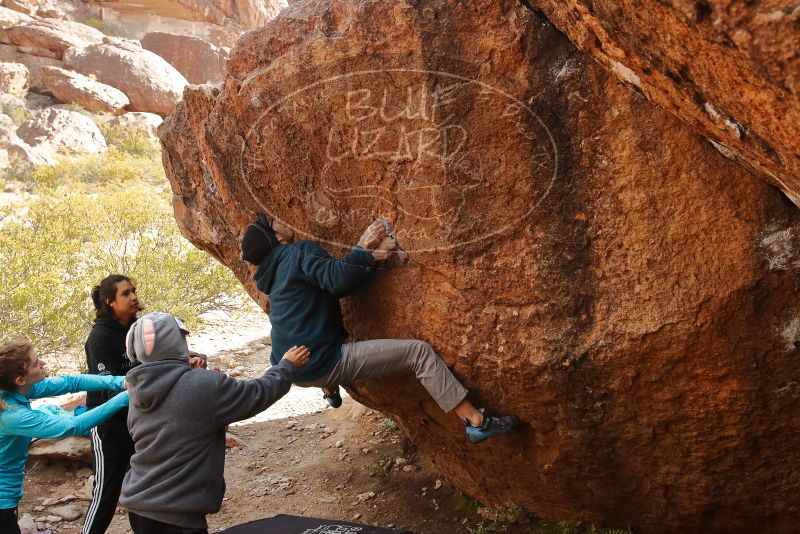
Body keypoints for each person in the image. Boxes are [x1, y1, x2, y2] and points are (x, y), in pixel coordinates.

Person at [240, 214, 520, 443]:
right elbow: (338, 281)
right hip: (321, 362)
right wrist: (364, 251)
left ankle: (329, 392)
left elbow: (317, 293)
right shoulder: (298, 252)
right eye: (272, 222)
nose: (279, 217)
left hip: (289, 366)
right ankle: (476, 421)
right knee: (418, 353)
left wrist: (371, 257)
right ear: (276, 239)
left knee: (307, 321)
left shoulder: (270, 274)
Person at [119, 312, 309, 534]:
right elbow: (257, 394)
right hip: (175, 514)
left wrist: (191, 378)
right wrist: (286, 366)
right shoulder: (203, 384)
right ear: (176, 342)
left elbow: (171, 424)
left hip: (140, 506)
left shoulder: (137, 391)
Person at [82, 275, 208, 534]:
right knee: (106, 494)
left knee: (144, 493)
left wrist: (188, 361)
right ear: (110, 302)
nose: (133, 297)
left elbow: (160, 362)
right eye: (126, 294)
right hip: (110, 427)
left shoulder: (140, 328)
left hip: (141, 423)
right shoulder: (100, 338)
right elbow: (108, 386)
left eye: (134, 291)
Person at [0, 340, 129, 534]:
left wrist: (120, 381)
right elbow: (73, 426)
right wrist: (125, 397)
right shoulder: (11, 415)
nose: (42, 363)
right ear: (20, 379)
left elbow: (71, 382)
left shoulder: (17, 389)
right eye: (36, 364)